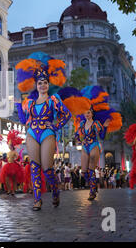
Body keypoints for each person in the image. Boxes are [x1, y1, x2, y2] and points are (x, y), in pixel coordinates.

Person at [16, 52, 72, 210]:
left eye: (45, 83)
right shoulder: (31, 102)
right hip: (32, 133)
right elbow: (22, 120)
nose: (42, 85)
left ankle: (55, 192)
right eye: (40, 83)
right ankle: (37, 199)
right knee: (34, 166)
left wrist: (55, 126)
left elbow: (66, 115)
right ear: (36, 85)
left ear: (48, 84)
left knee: (47, 169)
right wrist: (18, 105)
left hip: (47, 133)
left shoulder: (54, 100)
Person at [58, 85, 122, 201]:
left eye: (89, 113)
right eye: (85, 113)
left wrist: (105, 127)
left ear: (92, 113)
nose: (87, 115)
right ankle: (93, 186)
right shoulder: (82, 124)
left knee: (92, 168)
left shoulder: (96, 124)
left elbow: (101, 136)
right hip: (85, 146)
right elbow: (77, 135)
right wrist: (76, 138)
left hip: (94, 145)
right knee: (83, 172)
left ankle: (92, 192)